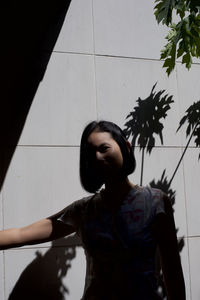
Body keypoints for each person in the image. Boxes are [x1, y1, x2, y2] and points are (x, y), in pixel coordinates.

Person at [0, 120, 185, 300]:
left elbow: (173, 272)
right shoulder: (85, 210)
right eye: (90, 154)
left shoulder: (156, 202)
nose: (97, 157)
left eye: (104, 148)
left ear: (126, 147)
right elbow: (22, 234)